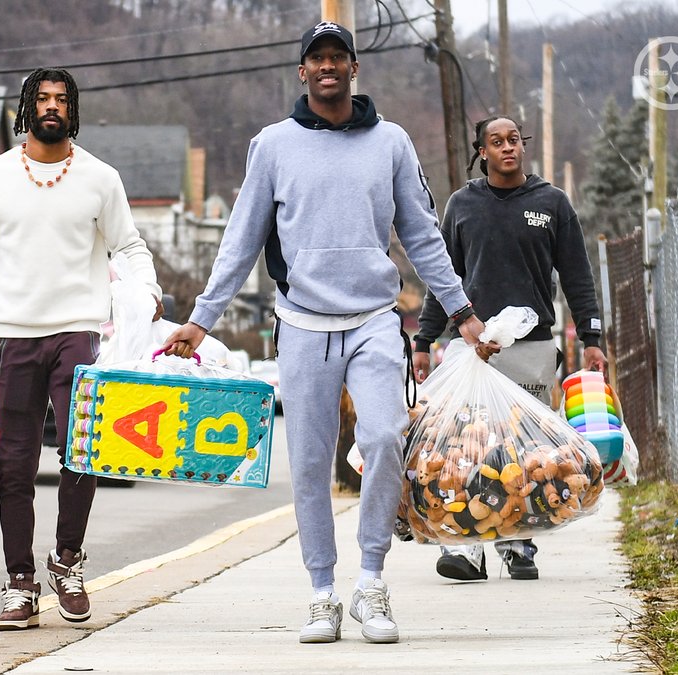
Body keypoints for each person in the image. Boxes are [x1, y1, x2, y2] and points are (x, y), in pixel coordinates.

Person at [163, 22, 489, 645]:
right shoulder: (272, 145)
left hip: (373, 320)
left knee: (386, 437)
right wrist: (202, 319)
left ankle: (370, 581)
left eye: (339, 57)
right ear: (303, 72)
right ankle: (321, 593)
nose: (329, 66)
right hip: (302, 325)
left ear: (354, 68)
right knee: (311, 463)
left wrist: (463, 313)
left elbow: (422, 235)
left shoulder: (391, 142)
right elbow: (242, 238)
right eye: (318, 59)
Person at [0, 67, 163, 632]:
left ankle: (67, 561)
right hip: (14, 334)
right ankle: (19, 582)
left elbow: (129, 245)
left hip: (78, 332)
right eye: (42, 99)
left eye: (61, 100)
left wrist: (148, 290)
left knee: (81, 451)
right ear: (26, 108)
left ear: (73, 109)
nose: (51, 107)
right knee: (15, 463)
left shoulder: (100, 178)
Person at [413, 115, 607, 582]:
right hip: (472, 347)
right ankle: (469, 548)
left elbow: (577, 275)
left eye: (514, 140)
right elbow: (444, 278)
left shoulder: (551, 203)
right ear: (482, 152)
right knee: (470, 447)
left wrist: (592, 338)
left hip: (532, 348)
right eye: (496, 142)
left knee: (526, 449)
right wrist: (423, 339)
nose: (507, 148)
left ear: (523, 146)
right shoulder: (463, 205)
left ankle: (519, 542)